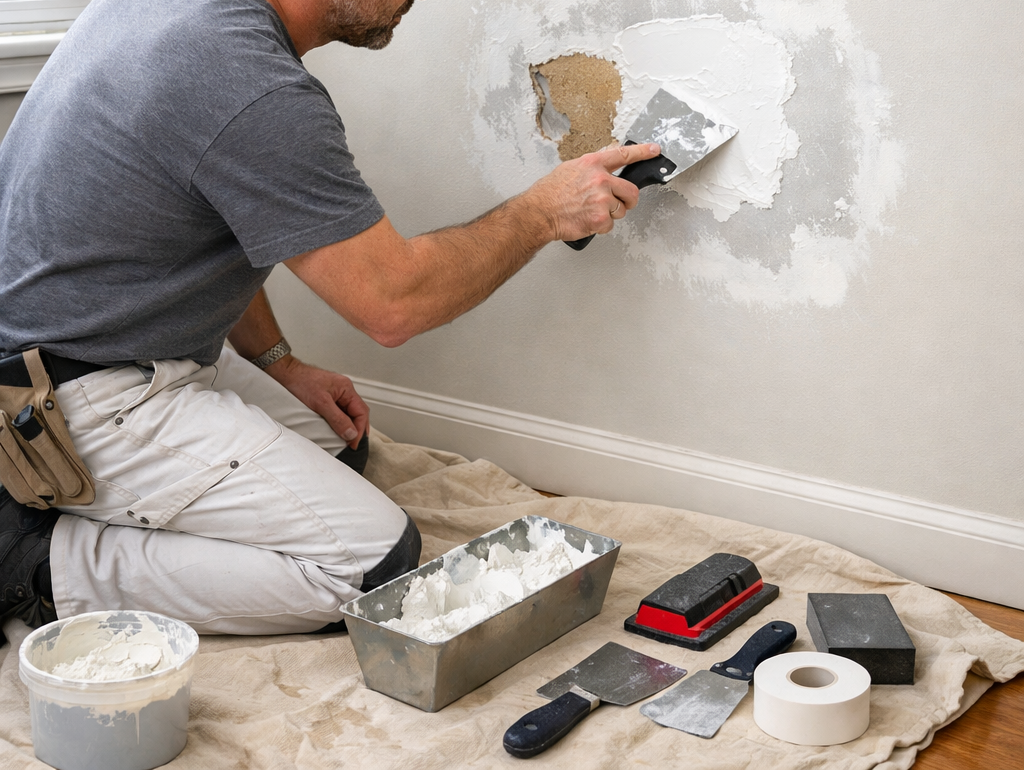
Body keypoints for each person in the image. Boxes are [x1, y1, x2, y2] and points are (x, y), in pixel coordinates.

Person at [0, 0, 659, 637]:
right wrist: (542, 214)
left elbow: (214, 224)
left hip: (107, 347)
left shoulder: (182, 20)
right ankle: (39, 563)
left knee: (340, 445)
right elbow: (394, 304)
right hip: (62, 400)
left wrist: (276, 363)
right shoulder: (248, 84)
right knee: (371, 567)